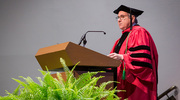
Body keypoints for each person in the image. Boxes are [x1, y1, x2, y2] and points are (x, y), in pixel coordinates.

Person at [107, 5, 158, 100]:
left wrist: (123, 57)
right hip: (122, 86)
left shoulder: (139, 32)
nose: (119, 20)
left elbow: (142, 60)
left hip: (136, 87)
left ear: (132, 18)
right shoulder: (119, 41)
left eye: (122, 17)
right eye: (118, 17)